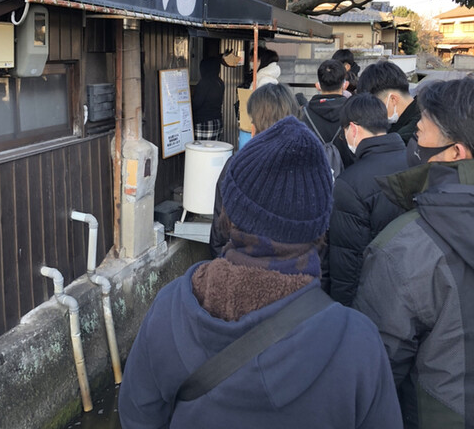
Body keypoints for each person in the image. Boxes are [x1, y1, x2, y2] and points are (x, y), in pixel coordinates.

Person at [119, 116, 403, 429]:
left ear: (228, 213)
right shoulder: (356, 343)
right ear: (321, 226)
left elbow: (136, 417)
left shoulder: (171, 308)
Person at [353, 77, 474, 429]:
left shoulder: (404, 248)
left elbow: (375, 372)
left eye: (420, 133)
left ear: (456, 153)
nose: (413, 142)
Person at [328, 93, 408, 305]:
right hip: (414, 286)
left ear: (353, 129)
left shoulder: (349, 184)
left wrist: (343, 310)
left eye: (344, 133)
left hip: (373, 298)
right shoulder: (415, 162)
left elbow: (347, 262)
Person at [210, 83, 300, 257]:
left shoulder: (237, 166)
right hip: (295, 266)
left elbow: (220, 233)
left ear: (255, 125)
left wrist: (221, 264)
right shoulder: (306, 164)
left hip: (242, 263)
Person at [302, 59, 354, 169]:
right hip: (348, 175)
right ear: (344, 85)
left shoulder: (302, 114)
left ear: (318, 85)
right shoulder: (355, 112)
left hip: (313, 175)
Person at [357, 59, 420, 144]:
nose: (374, 113)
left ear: (393, 99)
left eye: (376, 106)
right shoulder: (416, 113)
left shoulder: (409, 136)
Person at [192, 57, 225, 140]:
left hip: (204, 122)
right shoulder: (219, 82)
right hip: (217, 121)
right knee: (213, 146)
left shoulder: (204, 82)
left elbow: (196, 103)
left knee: (201, 147)